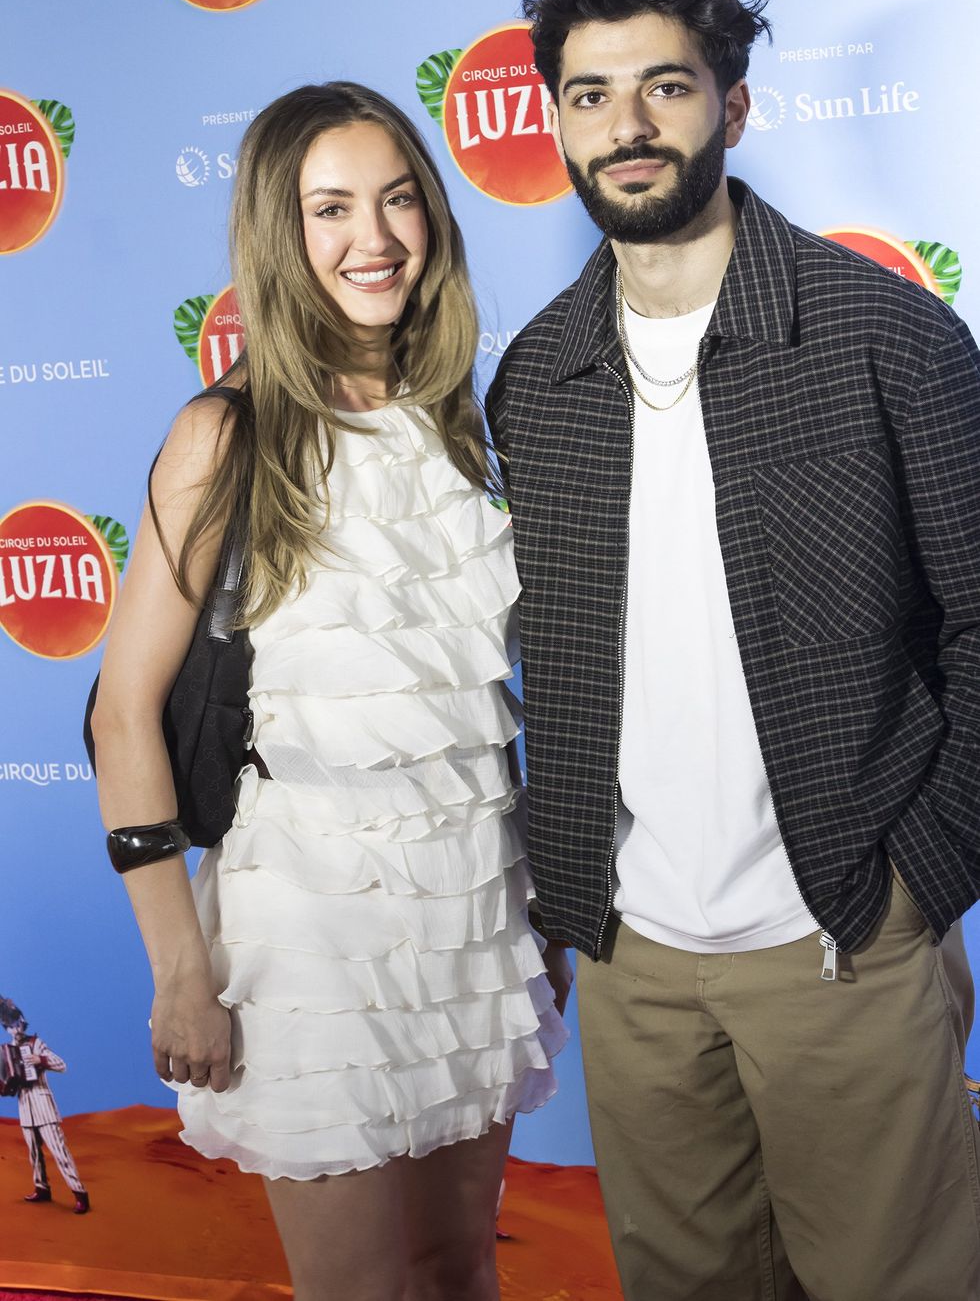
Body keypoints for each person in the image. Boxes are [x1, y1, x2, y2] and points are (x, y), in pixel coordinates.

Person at [485, 0, 980, 1301]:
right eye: (591, 94)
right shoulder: (540, 377)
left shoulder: (885, 333)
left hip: (840, 941)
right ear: (557, 122)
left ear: (734, 103)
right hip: (637, 963)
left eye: (665, 85)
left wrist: (919, 882)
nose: (626, 125)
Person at [91, 82, 569, 1301]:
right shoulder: (224, 433)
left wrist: (531, 916)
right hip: (308, 924)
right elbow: (121, 708)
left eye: (399, 198)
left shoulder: (460, 419)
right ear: (277, 234)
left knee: (461, 1271)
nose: (376, 238)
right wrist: (181, 970)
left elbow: (471, 703)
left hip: (469, 907)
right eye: (332, 209)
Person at [0, 997, 90, 1214]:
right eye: (10, 1026)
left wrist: (40, 1060)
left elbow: (62, 1065)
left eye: (17, 1024)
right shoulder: (7, 1050)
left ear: (23, 1022)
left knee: (59, 1151)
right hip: (26, 1107)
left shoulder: (35, 1044)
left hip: (43, 1106)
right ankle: (42, 1188)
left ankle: (80, 1194)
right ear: (7, 1029)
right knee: (34, 1153)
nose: (15, 1029)